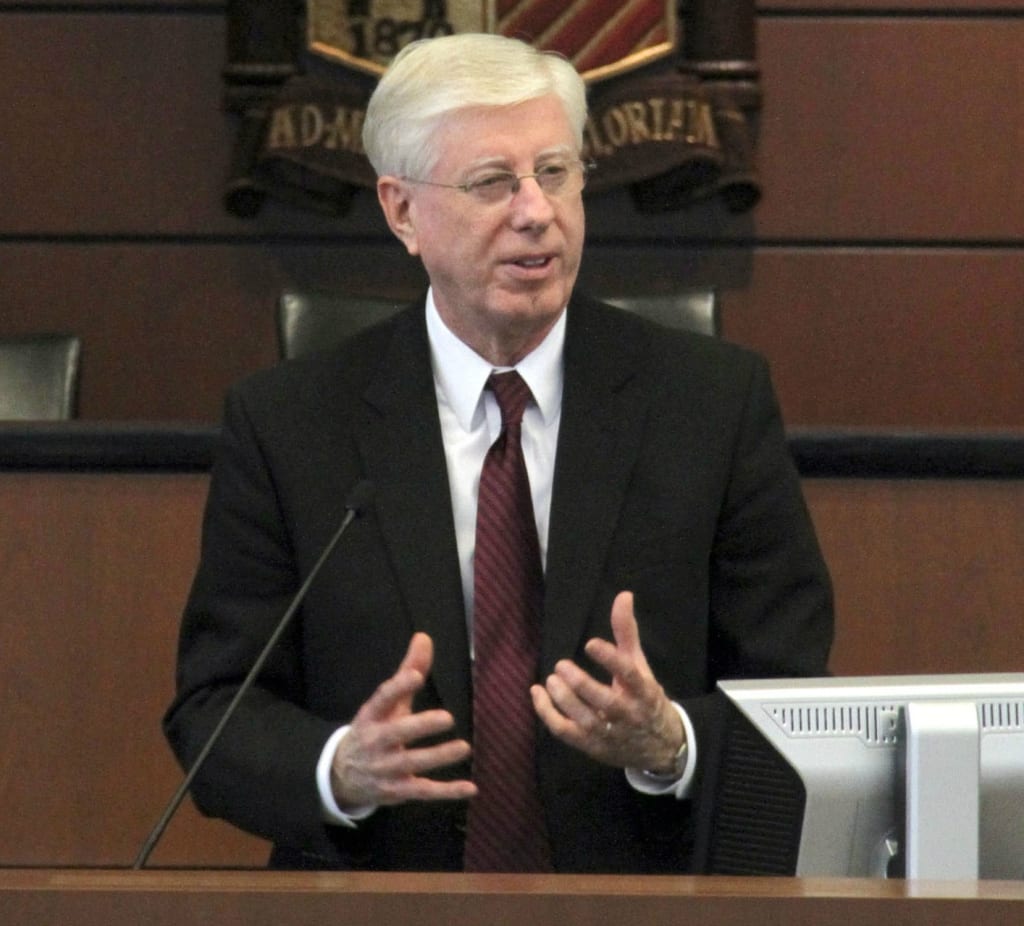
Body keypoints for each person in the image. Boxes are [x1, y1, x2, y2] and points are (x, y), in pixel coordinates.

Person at [164, 32, 833, 873]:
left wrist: (673, 742)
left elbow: (801, 699)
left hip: (636, 902)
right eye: (491, 183)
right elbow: (215, 711)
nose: (535, 210)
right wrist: (341, 767)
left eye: (555, 172)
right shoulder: (291, 424)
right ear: (402, 210)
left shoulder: (711, 405)